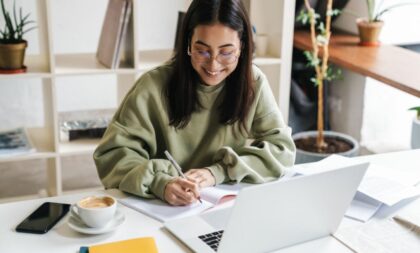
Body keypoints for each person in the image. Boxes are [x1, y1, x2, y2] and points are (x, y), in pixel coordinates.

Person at [93, 0, 296, 206]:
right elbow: (113, 155)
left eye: (226, 52)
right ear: (188, 42)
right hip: (160, 206)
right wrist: (160, 183)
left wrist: (218, 172)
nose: (213, 64)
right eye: (203, 51)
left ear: (242, 47)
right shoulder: (152, 86)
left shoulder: (253, 83)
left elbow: (282, 150)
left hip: (220, 204)